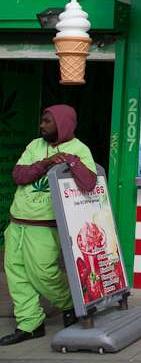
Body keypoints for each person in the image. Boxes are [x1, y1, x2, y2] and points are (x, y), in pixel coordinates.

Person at [1, 105, 97, 346]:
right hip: (18, 222)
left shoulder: (79, 149)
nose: (42, 125)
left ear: (63, 124)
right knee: (17, 274)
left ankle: (71, 304)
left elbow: (90, 183)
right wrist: (45, 163)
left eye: (47, 121)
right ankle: (30, 323)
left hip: (45, 225)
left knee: (44, 272)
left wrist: (71, 162)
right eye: (42, 121)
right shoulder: (35, 146)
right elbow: (19, 176)